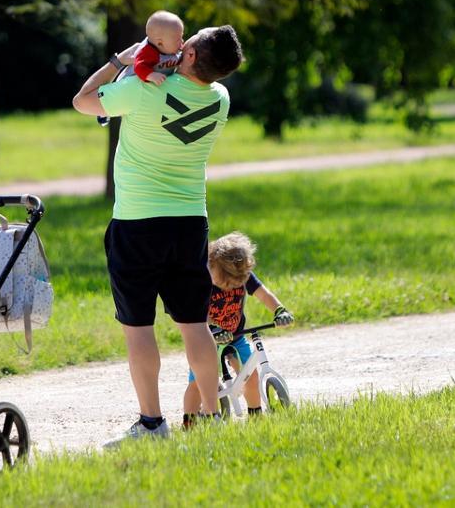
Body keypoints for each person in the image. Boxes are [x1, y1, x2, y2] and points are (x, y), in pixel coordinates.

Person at [72, 24, 245, 444]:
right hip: (189, 222)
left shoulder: (144, 91)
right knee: (194, 325)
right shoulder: (220, 99)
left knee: (139, 328)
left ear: (188, 57)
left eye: (187, 43)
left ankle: (152, 423)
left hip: (137, 223)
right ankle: (213, 416)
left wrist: (121, 62)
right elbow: (183, 81)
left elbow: (82, 101)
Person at [181, 231, 293, 427]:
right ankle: (189, 423)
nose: (228, 287)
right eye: (223, 283)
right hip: (208, 339)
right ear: (211, 264)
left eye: (234, 285)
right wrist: (213, 328)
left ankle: (256, 416)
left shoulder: (242, 275)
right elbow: (196, 312)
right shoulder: (203, 279)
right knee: (197, 382)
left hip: (236, 335)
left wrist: (279, 310)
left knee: (251, 374)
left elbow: (263, 294)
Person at [96, 10, 184, 126]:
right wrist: (151, 75)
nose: (181, 42)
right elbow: (140, 67)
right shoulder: (147, 52)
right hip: (128, 82)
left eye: (182, 37)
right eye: (177, 39)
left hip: (146, 88)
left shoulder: (171, 48)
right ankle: (103, 113)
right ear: (160, 43)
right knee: (117, 104)